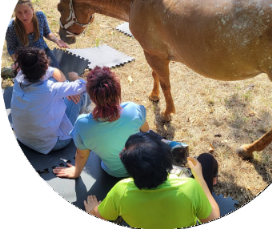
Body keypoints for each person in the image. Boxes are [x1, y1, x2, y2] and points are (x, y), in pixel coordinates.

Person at [53, 66, 188, 179]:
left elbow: (82, 155)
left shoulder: (82, 124)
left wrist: (76, 173)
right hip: (141, 165)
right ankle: (167, 145)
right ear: (117, 92)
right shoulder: (133, 109)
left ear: (92, 98)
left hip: (114, 173)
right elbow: (147, 133)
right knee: (146, 134)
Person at [84, 132, 220, 229]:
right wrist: (200, 178)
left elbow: (101, 215)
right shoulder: (189, 188)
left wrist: (92, 210)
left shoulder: (121, 190)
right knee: (206, 159)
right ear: (167, 162)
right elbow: (214, 219)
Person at [11, 47, 89, 154]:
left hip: (22, 138)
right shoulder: (51, 89)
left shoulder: (19, 78)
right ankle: (81, 116)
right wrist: (75, 77)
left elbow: (52, 72)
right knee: (78, 95)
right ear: (46, 66)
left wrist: (65, 84)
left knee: (56, 81)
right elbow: (84, 86)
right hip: (51, 144)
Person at [5, 0, 69, 69]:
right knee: (33, 77)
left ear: (32, 9)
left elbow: (47, 32)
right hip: (25, 56)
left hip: (42, 50)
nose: (24, 16)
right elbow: (11, 48)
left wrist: (56, 40)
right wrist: (17, 62)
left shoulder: (40, 16)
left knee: (55, 68)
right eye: (19, 13)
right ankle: (9, 71)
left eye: (26, 11)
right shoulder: (11, 27)